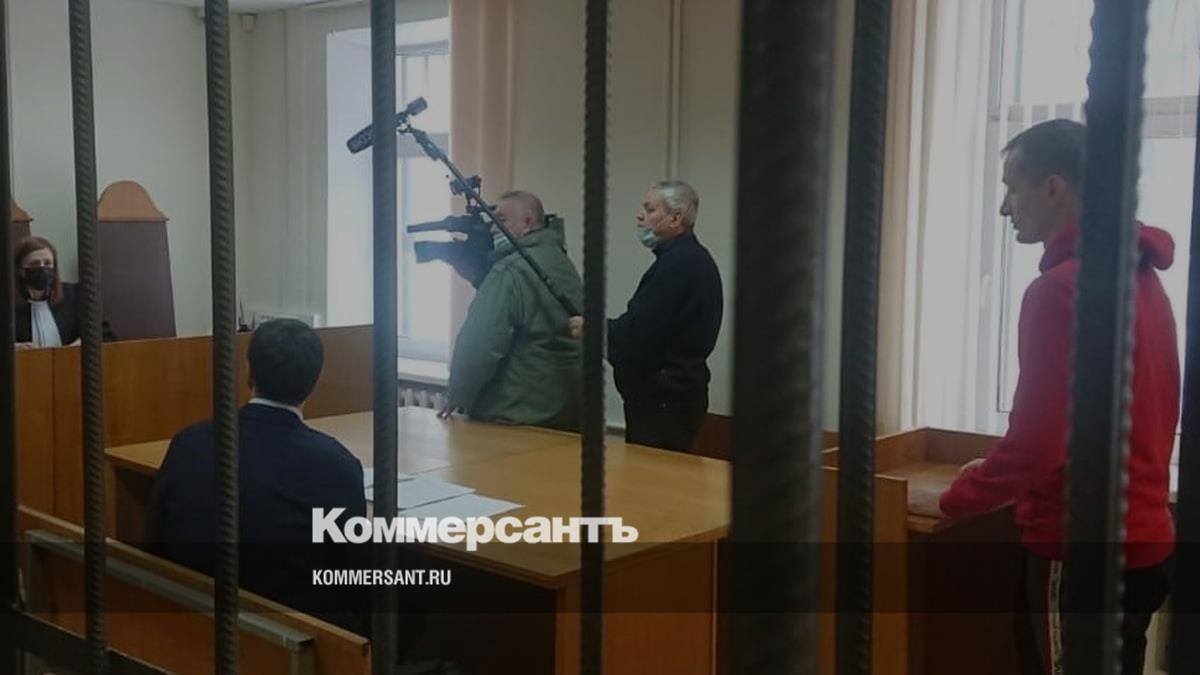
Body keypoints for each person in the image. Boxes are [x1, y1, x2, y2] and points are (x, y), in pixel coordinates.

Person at [907, 119, 1177, 675]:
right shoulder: (1142, 278)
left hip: (1078, 551)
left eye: (1012, 187)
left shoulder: (1060, 289)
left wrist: (955, 499)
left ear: (1054, 188)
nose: (1004, 207)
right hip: (1143, 539)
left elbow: (1039, 442)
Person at [143, 319, 367, 633]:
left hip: (191, 623)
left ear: (247, 371)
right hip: (296, 638)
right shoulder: (337, 466)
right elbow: (354, 575)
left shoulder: (189, 443)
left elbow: (153, 541)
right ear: (315, 381)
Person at [568, 180, 723, 452]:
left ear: (675, 219)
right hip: (680, 394)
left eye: (650, 209)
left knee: (654, 475)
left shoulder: (676, 265)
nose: (640, 216)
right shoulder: (694, 259)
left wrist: (594, 330)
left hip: (663, 402)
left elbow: (639, 334)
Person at [441, 190, 583, 431]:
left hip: (515, 413)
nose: (493, 228)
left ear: (527, 223)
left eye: (502, 220)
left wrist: (458, 395)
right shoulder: (563, 264)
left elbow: (479, 345)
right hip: (567, 414)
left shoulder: (509, 272)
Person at [13, 235, 114, 348]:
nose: (42, 268)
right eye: (34, 264)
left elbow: (106, 336)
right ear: (21, 270)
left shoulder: (75, 296)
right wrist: (13, 348)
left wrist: (84, 344)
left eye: (47, 263)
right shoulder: (8, 308)